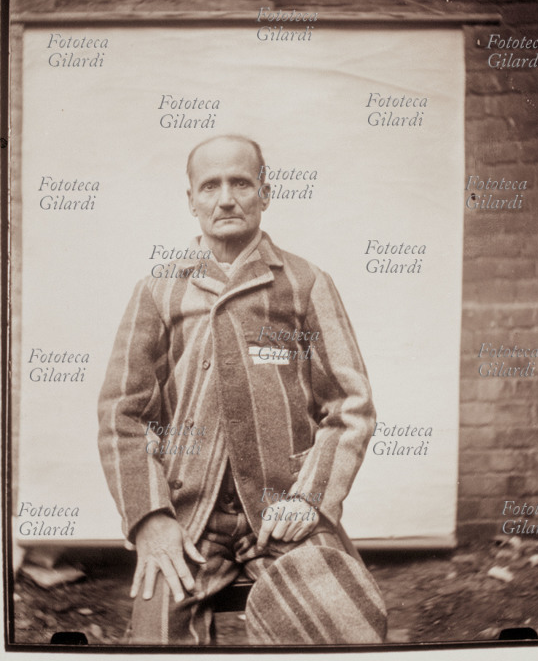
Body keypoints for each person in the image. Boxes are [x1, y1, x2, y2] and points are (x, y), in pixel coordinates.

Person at [98, 135, 387, 645]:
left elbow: (350, 407)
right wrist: (150, 518)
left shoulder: (304, 283)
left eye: (240, 182)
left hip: (283, 512)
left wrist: (311, 501)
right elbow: (122, 414)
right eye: (210, 185)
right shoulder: (158, 289)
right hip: (189, 517)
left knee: (341, 628)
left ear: (265, 193)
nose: (225, 198)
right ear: (191, 200)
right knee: (152, 640)